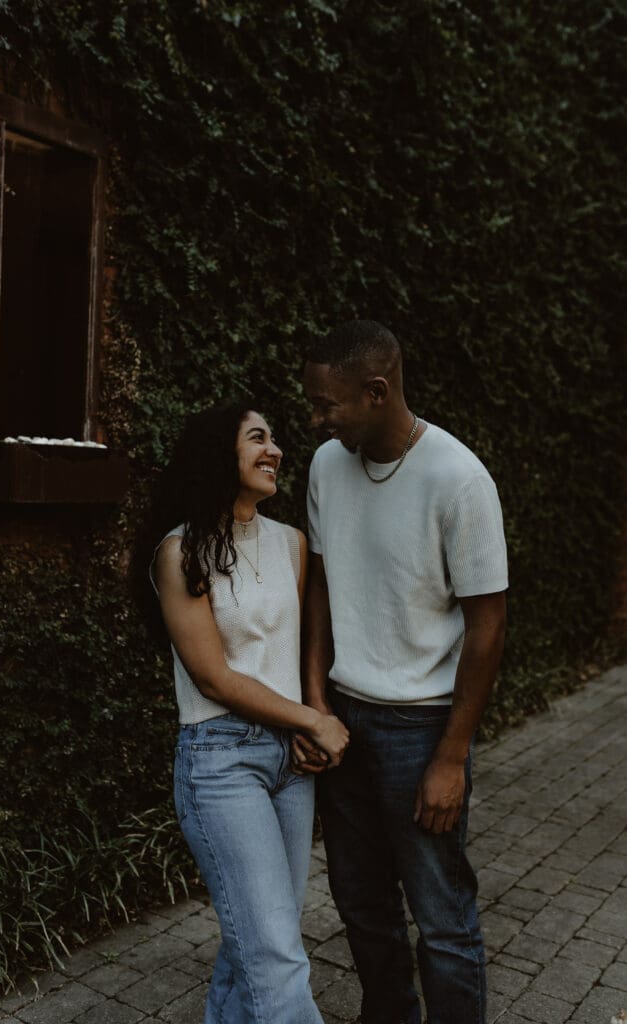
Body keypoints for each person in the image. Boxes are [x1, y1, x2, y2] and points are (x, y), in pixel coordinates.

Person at [293, 321, 508, 1024]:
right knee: (359, 904)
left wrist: (450, 755)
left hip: (420, 728)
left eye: (327, 404)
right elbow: (321, 585)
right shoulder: (327, 464)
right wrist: (315, 699)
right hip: (344, 722)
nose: (317, 418)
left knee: (440, 914)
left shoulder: (457, 479)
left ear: (376, 391)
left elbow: (486, 626)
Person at [149, 402, 349, 1024]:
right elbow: (213, 676)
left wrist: (308, 715)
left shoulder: (292, 544)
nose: (275, 450)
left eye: (275, 439)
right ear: (220, 453)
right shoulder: (179, 553)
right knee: (276, 955)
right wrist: (311, 720)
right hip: (221, 760)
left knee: (257, 939)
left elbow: (303, 646)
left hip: (290, 762)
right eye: (257, 438)